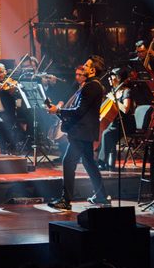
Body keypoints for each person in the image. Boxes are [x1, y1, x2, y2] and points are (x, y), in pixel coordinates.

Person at [47, 56, 110, 209]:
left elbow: (80, 111)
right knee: (89, 163)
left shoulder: (91, 86)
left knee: (68, 162)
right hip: (84, 131)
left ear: (93, 70)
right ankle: (101, 196)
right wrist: (59, 111)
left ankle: (66, 200)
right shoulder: (90, 85)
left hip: (82, 132)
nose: (84, 68)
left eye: (87, 66)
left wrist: (59, 110)